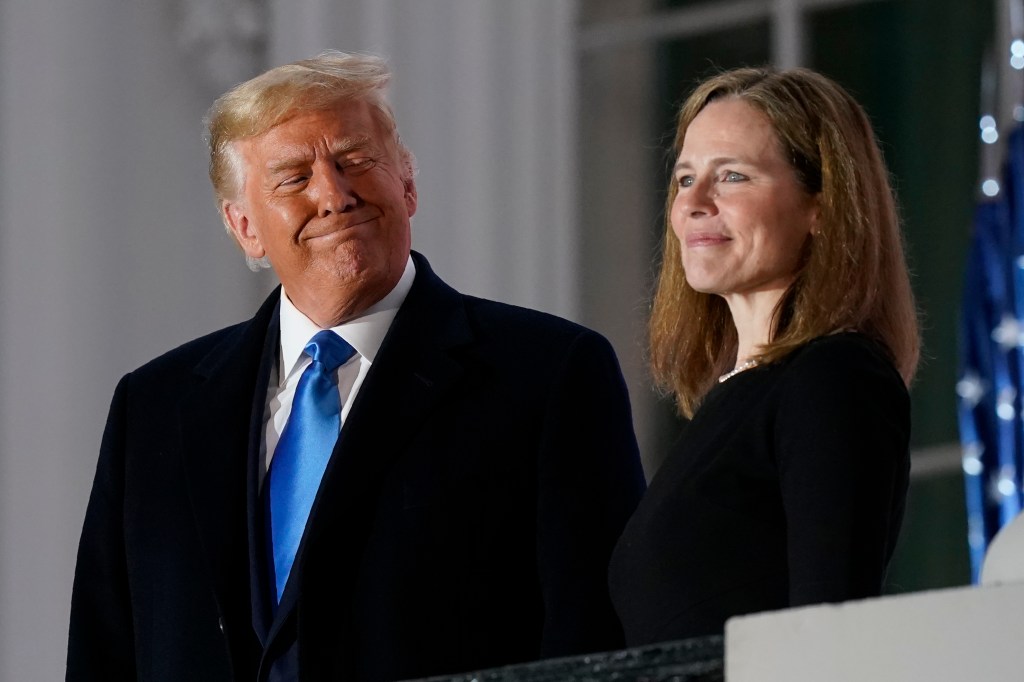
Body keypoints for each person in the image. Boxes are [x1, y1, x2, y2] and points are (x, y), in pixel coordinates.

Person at [67, 51, 646, 682]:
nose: (334, 195)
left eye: (356, 161)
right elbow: (105, 652)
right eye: (293, 178)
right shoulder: (153, 407)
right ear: (244, 229)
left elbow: (595, 644)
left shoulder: (548, 373)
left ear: (408, 183)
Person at [608, 66, 919, 644]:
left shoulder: (834, 378)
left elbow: (828, 634)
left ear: (821, 206)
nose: (694, 203)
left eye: (732, 176)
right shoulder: (734, 398)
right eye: (683, 179)